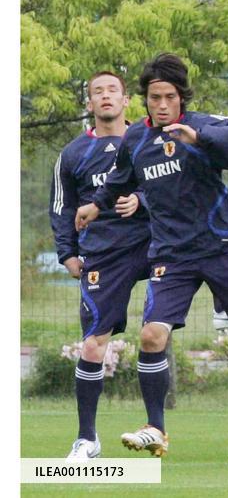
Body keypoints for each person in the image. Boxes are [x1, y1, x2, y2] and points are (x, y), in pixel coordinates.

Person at [75, 53, 228, 456]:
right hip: (171, 254)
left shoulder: (203, 126)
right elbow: (118, 180)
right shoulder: (136, 140)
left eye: (169, 97)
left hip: (219, 247)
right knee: (151, 335)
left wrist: (200, 140)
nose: (161, 105)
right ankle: (156, 428)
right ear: (144, 100)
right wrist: (96, 205)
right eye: (154, 97)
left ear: (182, 98)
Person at [50, 71, 148, 461]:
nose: (105, 97)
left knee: (158, 333)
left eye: (112, 91)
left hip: (153, 244)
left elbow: (171, 186)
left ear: (126, 100)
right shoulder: (73, 153)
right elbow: (62, 208)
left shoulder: (146, 141)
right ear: (89, 104)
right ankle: (87, 439)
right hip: (103, 255)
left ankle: (155, 426)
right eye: (97, 92)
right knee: (93, 344)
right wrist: (67, 253)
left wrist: (141, 199)